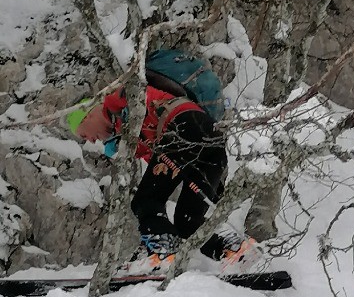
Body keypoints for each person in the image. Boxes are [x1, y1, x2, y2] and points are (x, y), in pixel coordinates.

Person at [69, 81, 257, 271]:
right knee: (187, 221)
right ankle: (234, 249)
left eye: (84, 135)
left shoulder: (115, 100)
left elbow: (136, 92)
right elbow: (158, 164)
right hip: (211, 137)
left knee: (145, 201)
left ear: (88, 115)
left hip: (183, 126)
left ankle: (163, 254)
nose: (91, 141)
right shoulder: (129, 129)